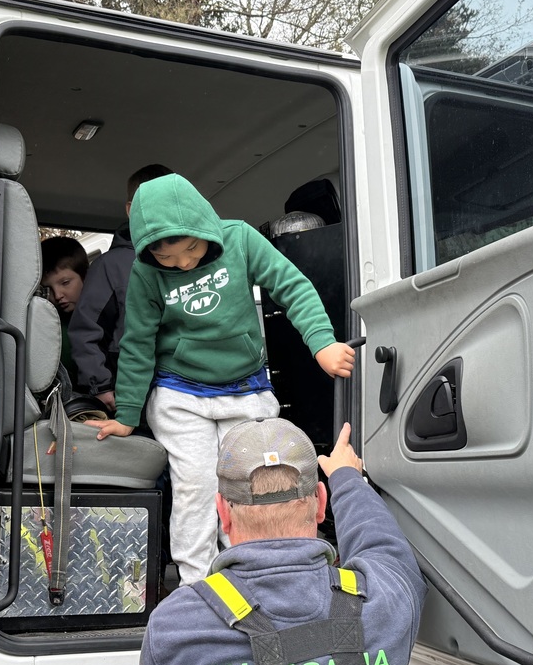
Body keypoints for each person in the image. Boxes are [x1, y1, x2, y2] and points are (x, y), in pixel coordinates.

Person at [87, 173, 356, 585]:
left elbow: (293, 287)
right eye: (169, 258)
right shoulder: (146, 274)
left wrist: (322, 344)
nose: (184, 263)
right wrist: (126, 413)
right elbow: (138, 342)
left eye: (191, 248)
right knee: (195, 485)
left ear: (204, 225)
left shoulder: (241, 240)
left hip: (245, 388)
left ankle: (250, 575)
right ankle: (198, 585)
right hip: (180, 392)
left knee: (253, 484)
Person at [131, 418, 427, 665]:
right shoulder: (386, 600)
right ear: (321, 504)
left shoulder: (177, 624)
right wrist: (346, 477)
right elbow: (381, 543)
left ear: (222, 512)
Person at [68, 163, 173, 412]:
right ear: (131, 209)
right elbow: (86, 330)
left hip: (185, 388)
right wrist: (101, 386)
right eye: (151, 204)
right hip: (129, 391)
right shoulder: (110, 266)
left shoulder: (192, 258)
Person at [40, 235, 89, 388]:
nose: (58, 295)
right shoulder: (50, 329)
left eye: (65, 283)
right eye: (48, 289)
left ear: (86, 276)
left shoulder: (104, 320)